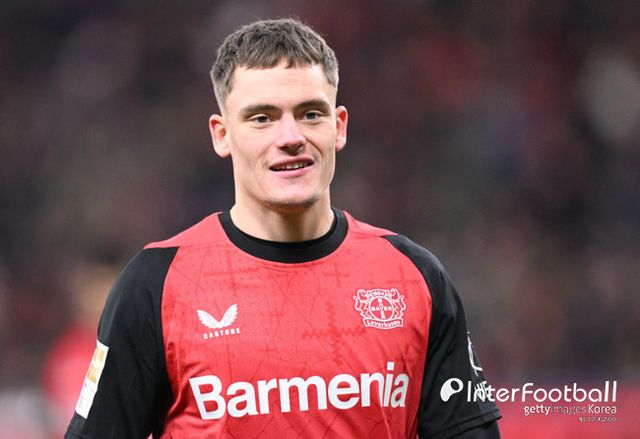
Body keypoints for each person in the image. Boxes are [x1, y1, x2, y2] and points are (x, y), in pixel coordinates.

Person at [65, 18, 501, 438]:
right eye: (262, 118)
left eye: (310, 114)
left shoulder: (413, 277)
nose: (290, 136)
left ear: (339, 127)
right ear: (222, 134)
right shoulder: (155, 285)